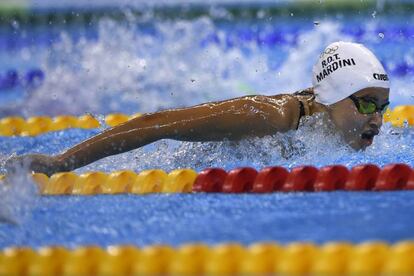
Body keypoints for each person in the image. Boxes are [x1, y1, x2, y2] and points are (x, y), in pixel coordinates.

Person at [5, 41, 390, 176]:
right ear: (333, 96)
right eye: (368, 103)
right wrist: (63, 163)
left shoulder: (340, 134)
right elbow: (159, 123)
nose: (378, 118)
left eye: (384, 107)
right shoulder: (269, 116)